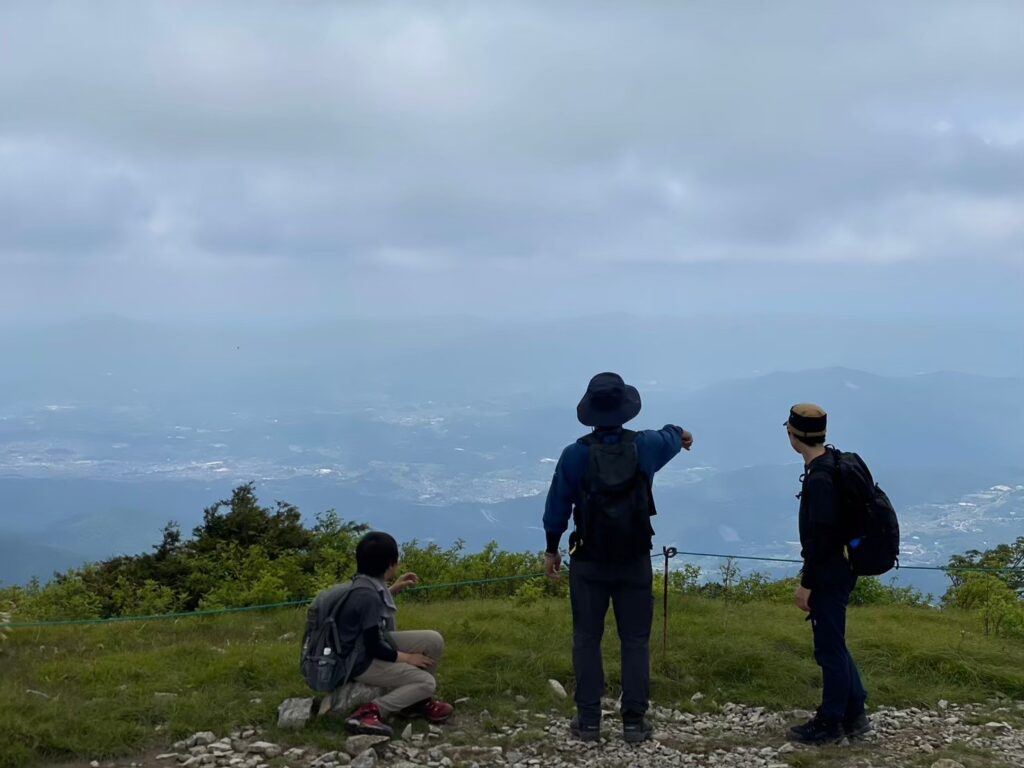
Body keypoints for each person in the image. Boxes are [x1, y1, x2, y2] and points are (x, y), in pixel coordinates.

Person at [544, 372, 693, 744]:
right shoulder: (647, 447)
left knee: (586, 638)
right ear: (627, 410)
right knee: (635, 640)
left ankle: (589, 722)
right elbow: (674, 437)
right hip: (634, 558)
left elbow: (556, 507)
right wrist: (680, 432)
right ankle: (633, 722)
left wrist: (551, 550)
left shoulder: (575, 454)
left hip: (588, 560)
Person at [785, 404, 870, 744]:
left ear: (793, 436)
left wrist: (806, 584)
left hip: (829, 572)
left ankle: (830, 724)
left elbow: (820, 540)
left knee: (829, 650)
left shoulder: (820, 478)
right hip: (845, 566)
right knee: (835, 642)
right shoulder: (836, 464)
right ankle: (855, 712)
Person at [318, 531, 454, 736]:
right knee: (426, 682)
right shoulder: (368, 596)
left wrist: (394, 589)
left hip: (361, 647)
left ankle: (415, 703)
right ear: (390, 564)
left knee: (433, 640)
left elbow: (367, 615)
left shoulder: (363, 584)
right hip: (359, 661)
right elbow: (374, 646)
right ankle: (369, 712)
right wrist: (407, 658)